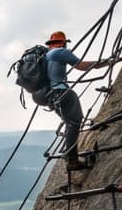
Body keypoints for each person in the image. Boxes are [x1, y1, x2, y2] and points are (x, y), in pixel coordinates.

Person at [44, 31, 108, 171]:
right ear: (64, 42)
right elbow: (81, 66)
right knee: (75, 122)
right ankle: (72, 160)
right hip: (62, 92)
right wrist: (106, 62)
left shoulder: (46, 56)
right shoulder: (61, 52)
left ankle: (69, 153)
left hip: (48, 96)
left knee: (70, 122)